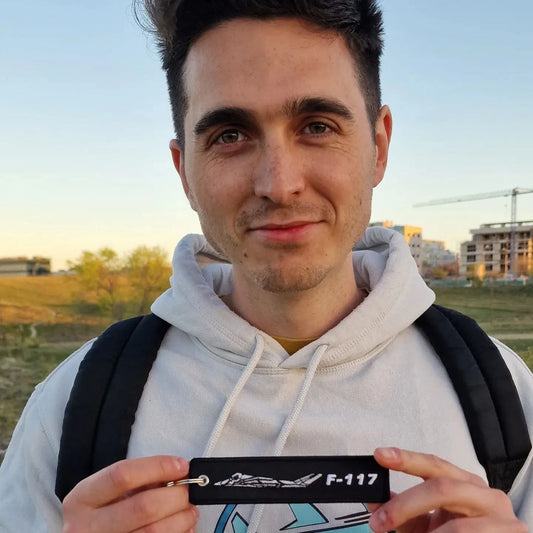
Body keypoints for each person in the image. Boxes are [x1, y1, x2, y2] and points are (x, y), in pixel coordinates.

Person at [0, 0, 531, 531]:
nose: (279, 184)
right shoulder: (73, 406)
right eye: (230, 135)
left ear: (378, 146)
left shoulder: (506, 398)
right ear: (185, 172)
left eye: (317, 126)